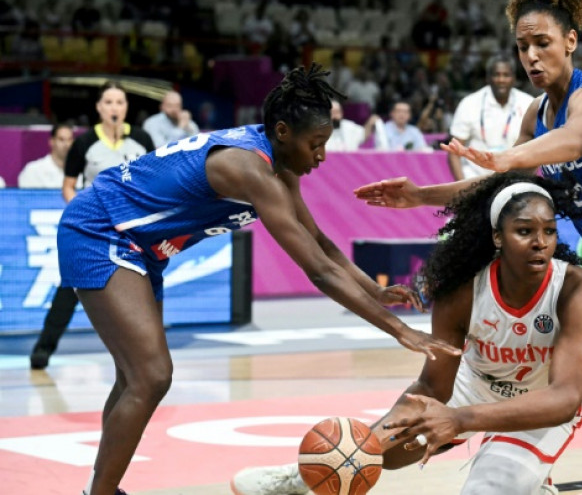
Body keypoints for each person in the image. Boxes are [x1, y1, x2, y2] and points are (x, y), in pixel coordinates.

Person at [353, 0, 582, 493]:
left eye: (542, 43)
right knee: (563, 373)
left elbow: (574, 140)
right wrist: (421, 196)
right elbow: (501, 189)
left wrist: (504, 156)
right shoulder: (535, 116)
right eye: (523, 47)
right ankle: (557, 478)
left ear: (570, 40)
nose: (531, 57)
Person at [59, 65, 459, 495]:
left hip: (141, 247)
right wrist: (400, 331)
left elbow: (320, 243)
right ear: (284, 131)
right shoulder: (247, 167)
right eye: (317, 145)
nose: (322, 156)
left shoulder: (279, 158)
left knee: (132, 377)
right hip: (100, 231)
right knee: (151, 376)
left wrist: (374, 288)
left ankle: (101, 489)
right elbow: (318, 271)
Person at [232, 173, 582, 495]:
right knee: (376, 454)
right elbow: (433, 386)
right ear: (497, 237)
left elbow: (565, 397)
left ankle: (530, 481)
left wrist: (461, 421)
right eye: (524, 231)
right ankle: (302, 477)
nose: (541, 242)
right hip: (473, 386)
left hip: (539, 405)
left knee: (486, 489)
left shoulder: (576, 288)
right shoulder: (461, 291)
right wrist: (375, 439)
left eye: (549, 231)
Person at [30, 81, 156, 370]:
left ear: (127, 108)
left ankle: (139, 358)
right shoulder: (85, 143)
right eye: (109, 102)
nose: (115, 108)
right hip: (95, 231)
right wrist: (85, 215)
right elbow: (68, 187)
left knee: (140, 291)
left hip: (132, 232)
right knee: (71, 288)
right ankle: (43, 349)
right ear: (99, 108)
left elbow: (152, 180)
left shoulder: (142, 140)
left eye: (120, 103)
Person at [447, 54, 535, 181]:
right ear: (488, 78)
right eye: (496, 75)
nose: (501, 79)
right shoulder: (469, 103)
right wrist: (463, 191)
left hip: (514, 180)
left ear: (514, 78)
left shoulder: (528, 103)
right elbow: (454, 152)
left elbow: (537, 147)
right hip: (475, 179)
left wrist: (525, 180)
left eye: (506, 75)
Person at [18, 123, 75, 189]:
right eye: (61, 139)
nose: (66, 145)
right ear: (52, 141)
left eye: (69, 140)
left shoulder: (80, 172)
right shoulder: (33, 171)